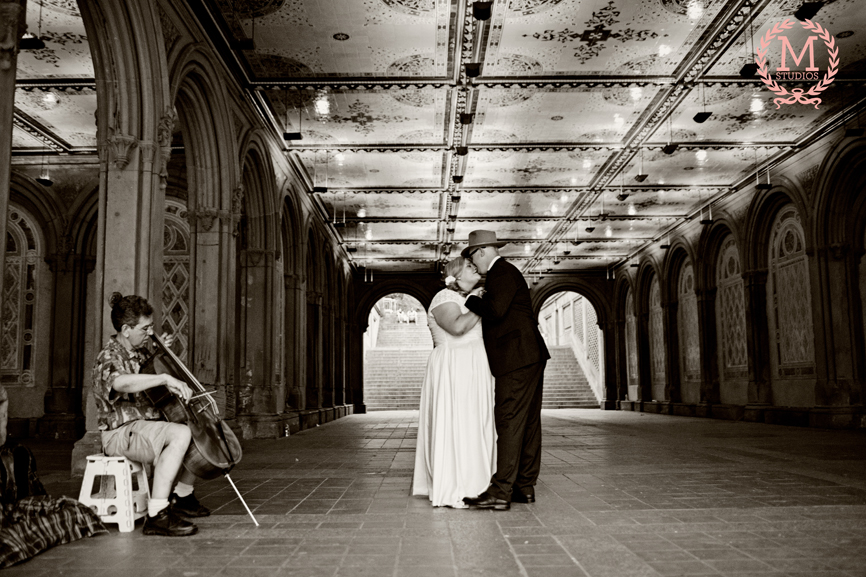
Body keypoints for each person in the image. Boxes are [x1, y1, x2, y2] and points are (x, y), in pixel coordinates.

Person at [92, 292, 210, 536]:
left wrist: (162, 355)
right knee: (179, 434)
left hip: (145, 428)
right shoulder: (109, 356)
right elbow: (121, 383)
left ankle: (182, 497)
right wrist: (163, 377)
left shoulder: (143, 353)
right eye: (145, 328)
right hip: (119, 434)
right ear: (126, 329)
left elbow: (157, 375)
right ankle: (157, 514)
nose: (149, 333)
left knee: (197, 435)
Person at [461, 230, 550, 511]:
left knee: (509, 419)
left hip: (516, 357)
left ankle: (500, 491)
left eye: (473, 256)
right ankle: (524, 487)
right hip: (528, 355)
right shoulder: (506, 273)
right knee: (528, 422)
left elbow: (495, 310)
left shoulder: (501, 272)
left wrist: (468, 297)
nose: (473, 264)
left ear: (484, 250)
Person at [412, 257, 496, 509]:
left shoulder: (468, 299)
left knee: (475, 424)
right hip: (454, 367)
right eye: (470, 267)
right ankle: (457, 486)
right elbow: (457, 327)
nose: (475, 268)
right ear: (456, 276)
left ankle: (478, 484)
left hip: (475, 367)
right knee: (457, 422)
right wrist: (480, 304)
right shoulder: (443, 297)